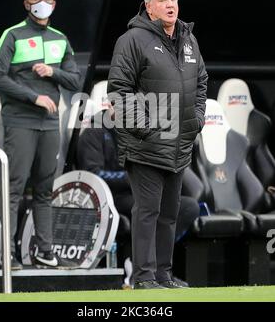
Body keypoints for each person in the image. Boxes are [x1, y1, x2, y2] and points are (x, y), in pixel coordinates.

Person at [107, 0, 208, 289]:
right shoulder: (132, 40)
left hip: (180, 144)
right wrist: (148, 129)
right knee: (147, 212)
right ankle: (143, 278)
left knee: (169, 214)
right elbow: (119, 92)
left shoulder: (188, 39)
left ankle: (163, 275)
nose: (170, 4)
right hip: (145, 145)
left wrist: (197, 119)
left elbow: (201, 80)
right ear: (149, 6)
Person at [0, 0, 81, 270]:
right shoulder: (12, 35)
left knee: (44, 190)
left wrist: (52, 71)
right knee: (14, 189)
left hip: (49, 124)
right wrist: (34, 96)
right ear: (27, 4)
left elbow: (74, 80)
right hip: (19, 120)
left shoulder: (60, 38)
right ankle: (7, 255)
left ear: (54, 4)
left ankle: (44, 251)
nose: (42, 2)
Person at [76, 106, 200, 287]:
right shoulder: (93, 132)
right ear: (110, 104)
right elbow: (93, 175)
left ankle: (154, 269)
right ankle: (142, 269)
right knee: (148, 208)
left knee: (188, 206)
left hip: (142, 191)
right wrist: (132, 176)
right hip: (110, 198)